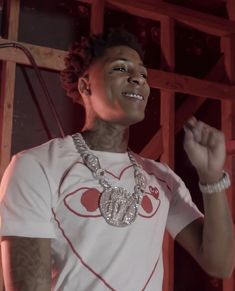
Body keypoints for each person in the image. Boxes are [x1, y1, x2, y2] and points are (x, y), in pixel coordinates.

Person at [0, 28, 234, 291]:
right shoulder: (37, 166)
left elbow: (220, 264)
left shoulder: (162, 178)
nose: (138, 79)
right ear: (85, 85)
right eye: (120, 69)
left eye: (144, 74)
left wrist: (211, 176)